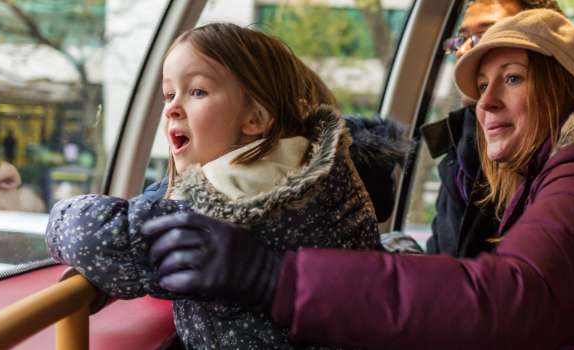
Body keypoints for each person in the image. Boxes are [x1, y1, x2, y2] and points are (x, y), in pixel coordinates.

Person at [143, 9, 574, 348]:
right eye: (480, 88)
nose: (485, 103)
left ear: (567, 90)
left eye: (513, 79)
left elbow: (507, 299)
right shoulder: (571, 173)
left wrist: (273, 275)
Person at [45, 23, 393, 349]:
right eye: (168, 95)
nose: (171, 109)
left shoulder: (229, 202)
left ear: (255, 119)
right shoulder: (313, 175)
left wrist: (58, 217)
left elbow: (94, 237)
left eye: (197, 91)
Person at [424, 0, 563, 257]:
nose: (464, 51)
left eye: (486, 34)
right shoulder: (460, 147)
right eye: (462, 39)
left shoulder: (572, 165)